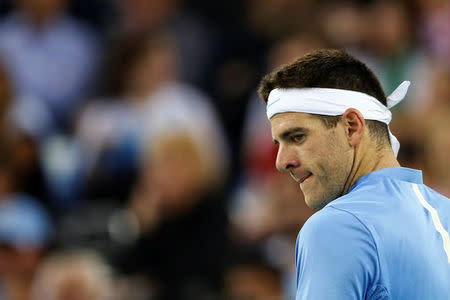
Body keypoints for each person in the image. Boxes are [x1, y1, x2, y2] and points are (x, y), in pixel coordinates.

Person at [257, 49, 450, 299]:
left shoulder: (336, 227)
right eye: (278, 144)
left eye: (297, 137)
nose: (282, 162)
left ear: (352, 127)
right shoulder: (445, 211)